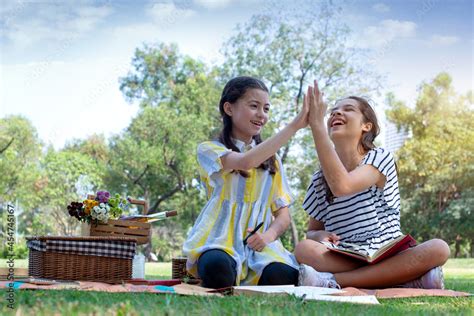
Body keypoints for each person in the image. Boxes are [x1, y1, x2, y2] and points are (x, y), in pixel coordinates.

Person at [295, 80, 450, 289]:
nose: (336, 113)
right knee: (303, 249)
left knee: (439, 248)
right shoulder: (319, 179)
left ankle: (333, 282)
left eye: (347, 109)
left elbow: (343, 186)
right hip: (348, 255)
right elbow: (312, 232)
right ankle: (407, 280)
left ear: (366, 126)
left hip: (388, 251)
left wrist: (316, 125)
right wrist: (320, 235)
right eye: (332, 111)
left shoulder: (379, 157)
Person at [183, 76, 308, 288]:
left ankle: (254, 276)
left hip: (260, 248)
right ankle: (230, 273)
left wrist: (268, 236)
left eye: (266, 109)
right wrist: (295, 126)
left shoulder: (273, 160)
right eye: (254, 106)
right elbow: (245, 162)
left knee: (283, 276)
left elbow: (283, 215)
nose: (262, 115)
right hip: (218, 241)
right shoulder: (209, 149)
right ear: (229, 108)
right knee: (218, 269)